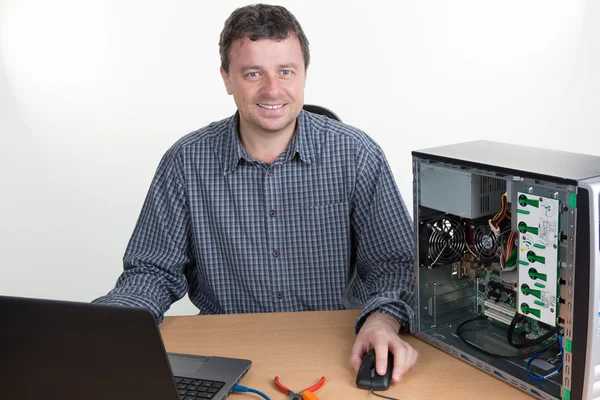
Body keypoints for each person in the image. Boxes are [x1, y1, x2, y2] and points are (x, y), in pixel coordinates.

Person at [94, 3, 418, 383]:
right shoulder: (186, 161)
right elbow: (152, 270)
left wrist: (381, 320)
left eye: (285, 71)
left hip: (337, 348)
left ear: (304, 75)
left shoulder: (356, 153)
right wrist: (104, 327)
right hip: (225, 350)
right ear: (227, 79)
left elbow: (393, 262)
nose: (272, 89)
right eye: (252, 73)